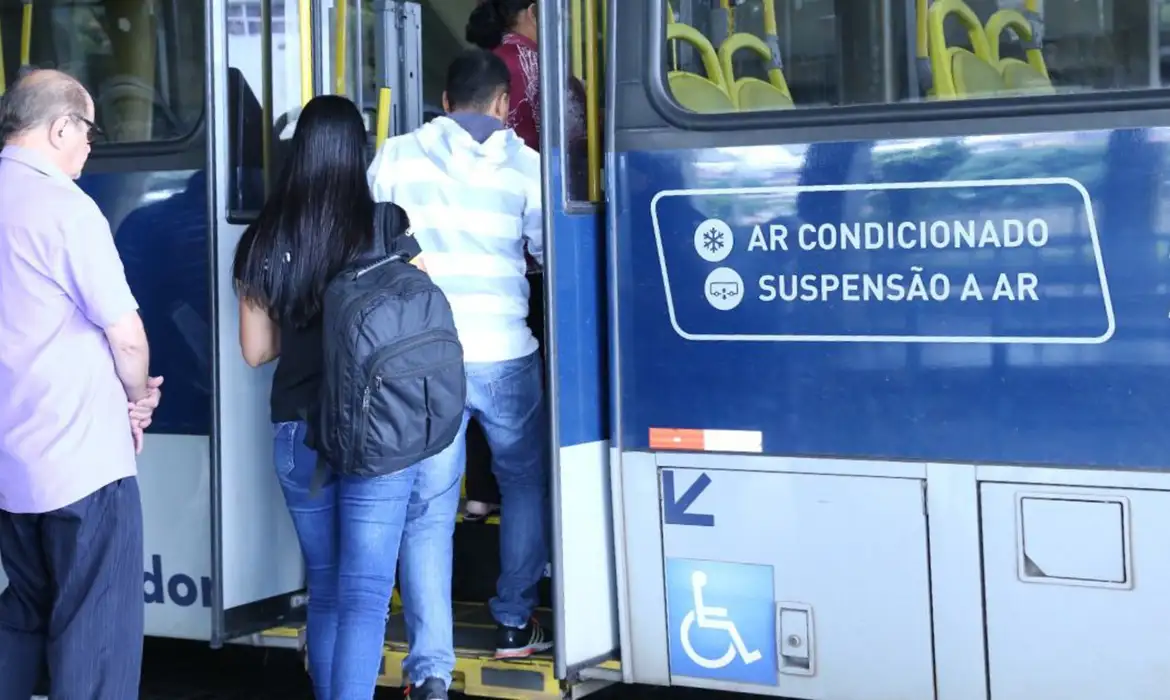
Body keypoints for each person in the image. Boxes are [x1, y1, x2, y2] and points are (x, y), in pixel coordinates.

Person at [232, 94, 453, 700]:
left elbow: (256, 350)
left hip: (297, 435)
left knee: (327, 588)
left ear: (297, 151)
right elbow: (425, 307)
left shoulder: (262, 238)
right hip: (377, 433)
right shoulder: (385, 224)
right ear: (359, 153)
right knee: (364, 594)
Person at [368, 49, 552, 660]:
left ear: (444, 103)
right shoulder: (528, 166)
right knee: (524, 482)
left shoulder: (394, 156)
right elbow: (549, 252)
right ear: (504, 105)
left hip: (426, 356)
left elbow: (374, 240)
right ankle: (512, 621)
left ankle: (432, 651)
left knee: (431, 503)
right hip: (505, 351)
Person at [0, 68, 163, 699]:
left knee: (24, 618)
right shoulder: (67, 208)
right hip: (83, 463)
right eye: (88, 129)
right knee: (95, 634)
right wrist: (137, 397)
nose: (91, 145)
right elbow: (125, 334)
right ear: (61, 126)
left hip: (13, 469)